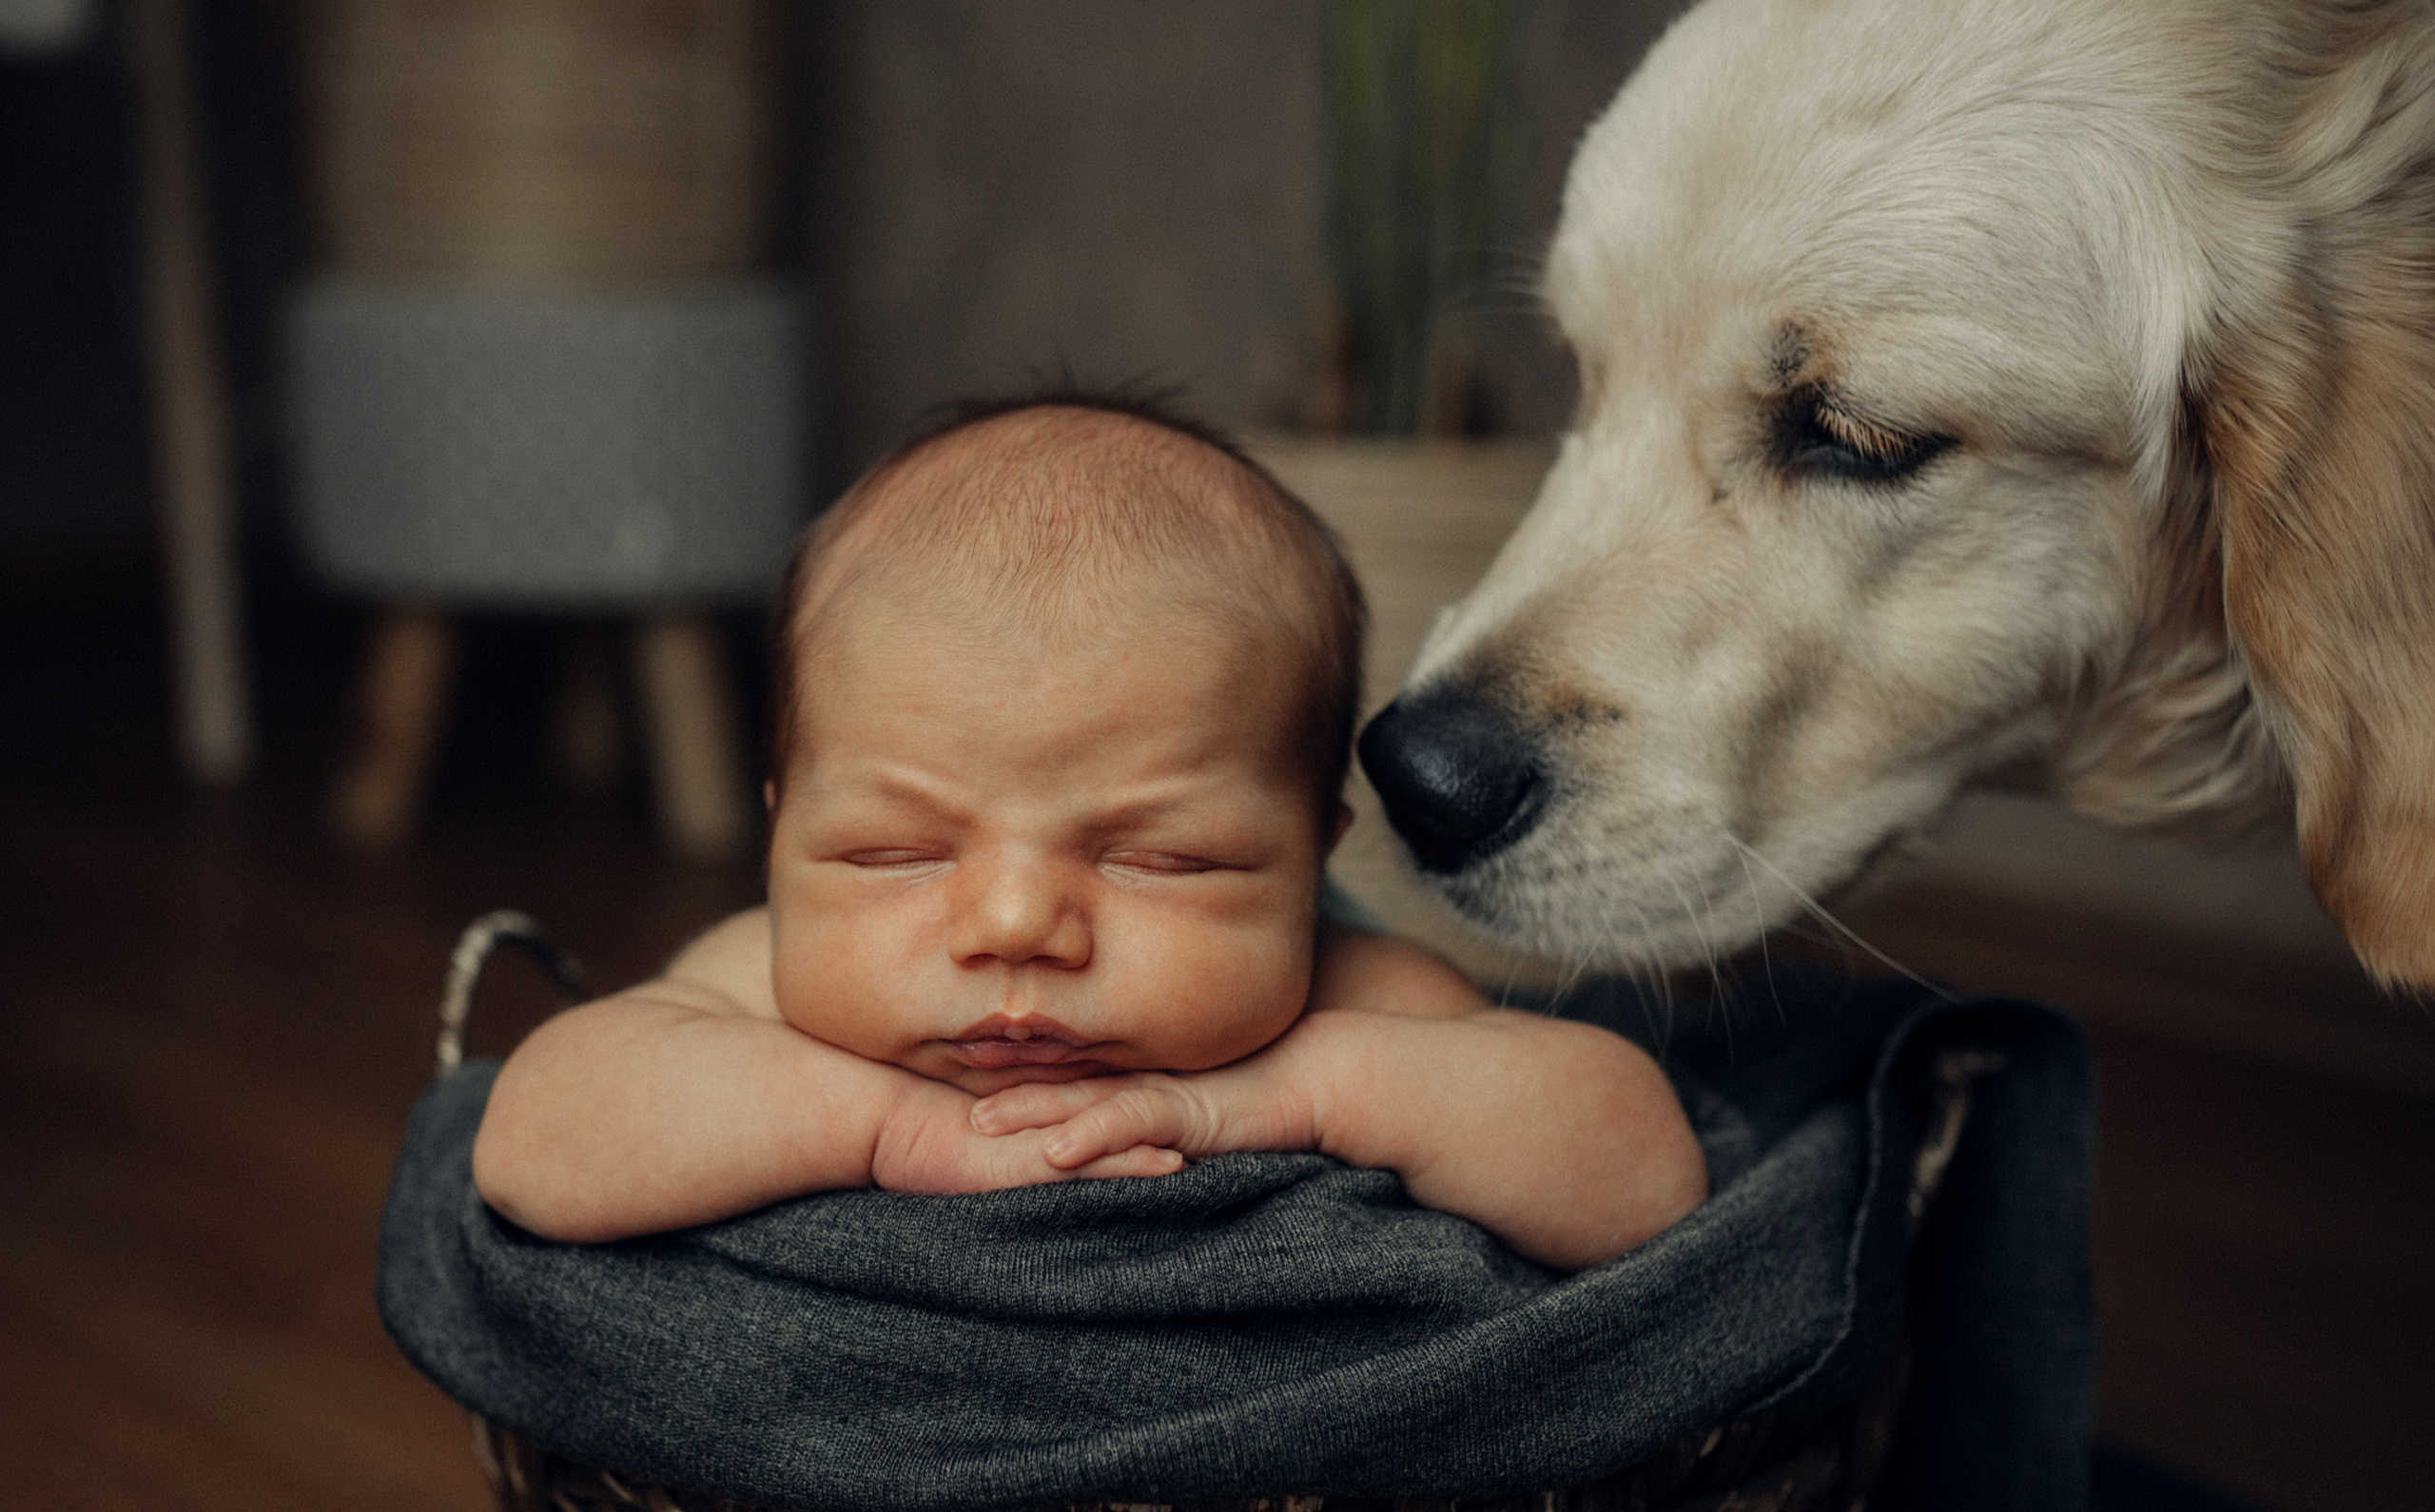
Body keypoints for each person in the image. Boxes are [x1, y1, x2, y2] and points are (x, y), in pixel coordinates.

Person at [472, 396, 1707, 1271]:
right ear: (781, 835)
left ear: (1310, 861)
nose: (1016, 925)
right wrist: (899, 1132)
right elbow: (533, 1140)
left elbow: (1646, 1179)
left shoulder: (1352, 999)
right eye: (895, 852)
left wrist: (1301, 1093)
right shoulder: (759, 990)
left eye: (1162, 859)